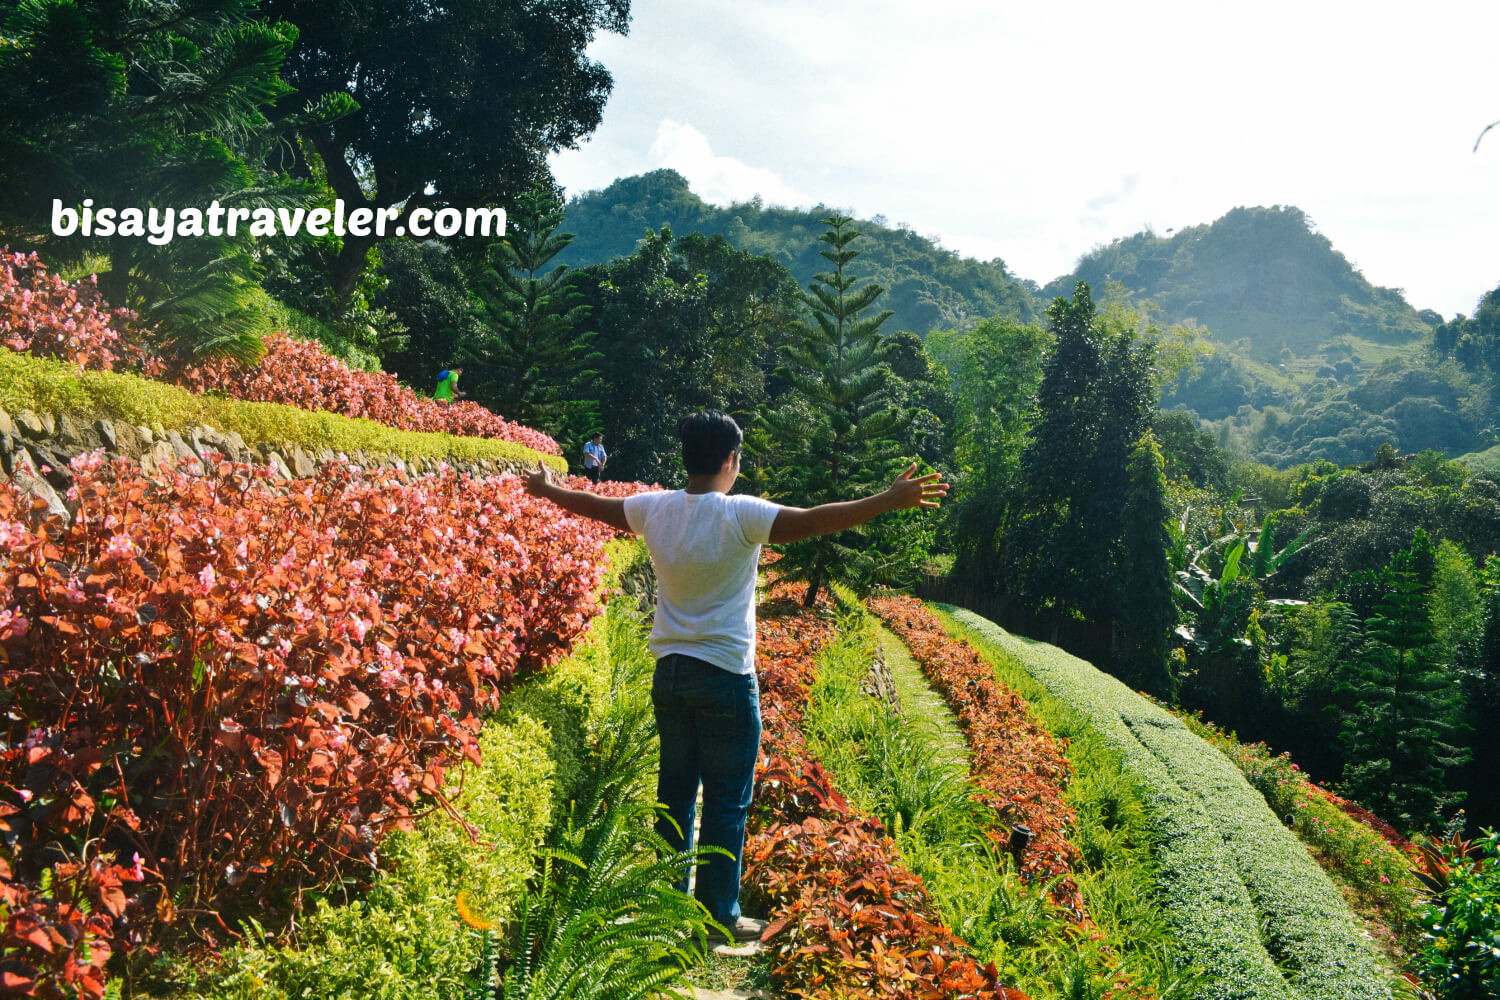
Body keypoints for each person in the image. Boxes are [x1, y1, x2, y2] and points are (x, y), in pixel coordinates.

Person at [522, 410, 947, 944]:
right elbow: (814, 521)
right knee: (726, 799)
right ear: (729, 461)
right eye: (738, 459)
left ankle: (665, 908)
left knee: (674, 795)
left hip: (670, 676)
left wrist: (546, 489)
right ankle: (717, 915)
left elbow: (591, 505)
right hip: (725, 677)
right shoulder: (739, 515)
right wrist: (887, 500)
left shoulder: (653, 509)